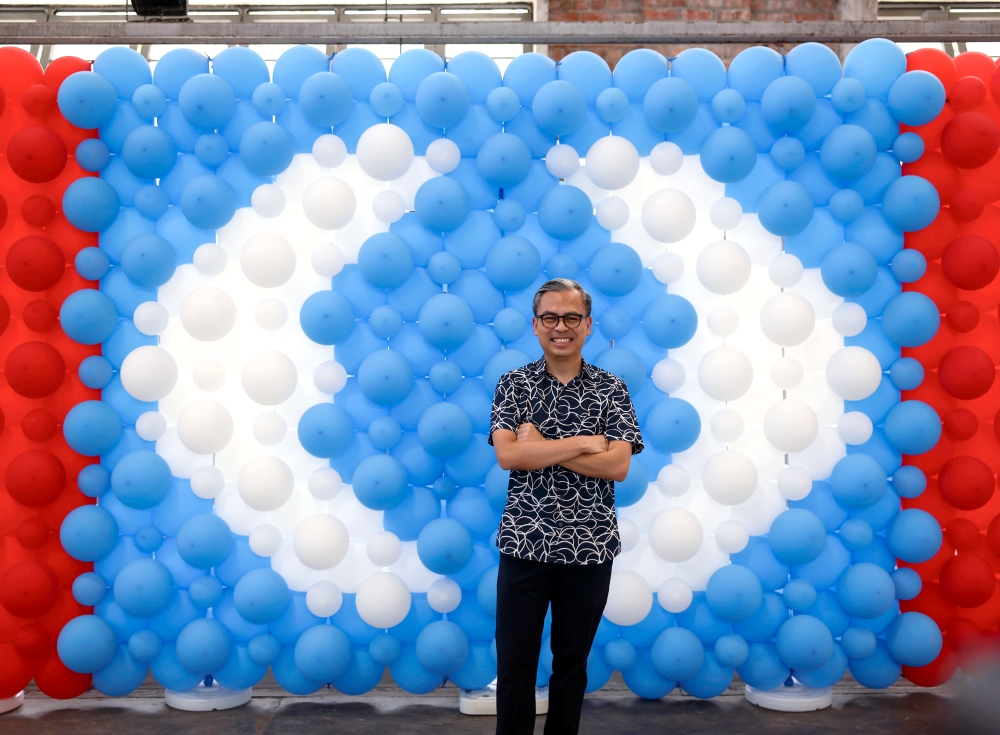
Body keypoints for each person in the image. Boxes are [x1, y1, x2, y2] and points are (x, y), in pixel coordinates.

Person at [489, 278, 644, 735]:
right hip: (525, 544)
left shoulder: (611, 389)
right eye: (551, 317)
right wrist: (582, 443)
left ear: (588, 325)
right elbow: (510, 456)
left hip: (590, 547)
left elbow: (618, 465)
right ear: (536, 326)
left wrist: (543, 444)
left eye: (572, 317)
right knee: (515, 663)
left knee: (571, 665)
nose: (562, 326)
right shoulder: (514, 385)